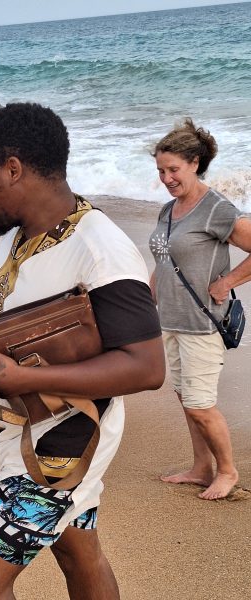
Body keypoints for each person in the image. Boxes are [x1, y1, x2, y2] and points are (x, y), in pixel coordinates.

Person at [0, 103, 165, 600]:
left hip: (68, 442)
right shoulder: (16, 239)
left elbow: (147, 366)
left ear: (13, 168)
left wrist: (25, 380)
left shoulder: (101, 250)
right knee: (78, 550)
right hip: (28, 424)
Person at [149, 118, 251, 500]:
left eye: (173, 169)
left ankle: (227, 471)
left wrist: (226, 283)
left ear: (194, 163)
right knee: (185, 398)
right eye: (161, 170)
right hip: (171, 320)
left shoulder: (216, 209)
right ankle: (200, 467)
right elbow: (162, 263)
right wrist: (147, 300)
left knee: (200, 403)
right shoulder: (167, 210)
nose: (167, 178)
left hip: (203, 323)